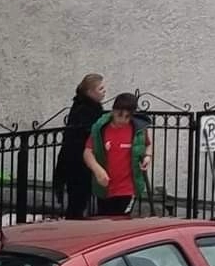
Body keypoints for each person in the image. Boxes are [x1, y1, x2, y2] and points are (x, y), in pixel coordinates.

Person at [83, 92, 152, 217]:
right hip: (105, 186)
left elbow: (148, 144)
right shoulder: (101, 129)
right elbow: (88, 153)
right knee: (104, 220)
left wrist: (148, 157)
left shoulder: (138, 130)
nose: (123, 120)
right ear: (113, 111)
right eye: (120, 115)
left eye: (127, 116)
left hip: (128, 187)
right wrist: (98, 170)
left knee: (121, 219)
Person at [53, 74, 107, 219]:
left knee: (82, 199)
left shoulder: (91, 107)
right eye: (100, 88)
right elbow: (85, 133)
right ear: (90, 92)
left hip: (83, 161)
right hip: (77, 162)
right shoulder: (84, 109)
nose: (104, 91)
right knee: (78, 200)